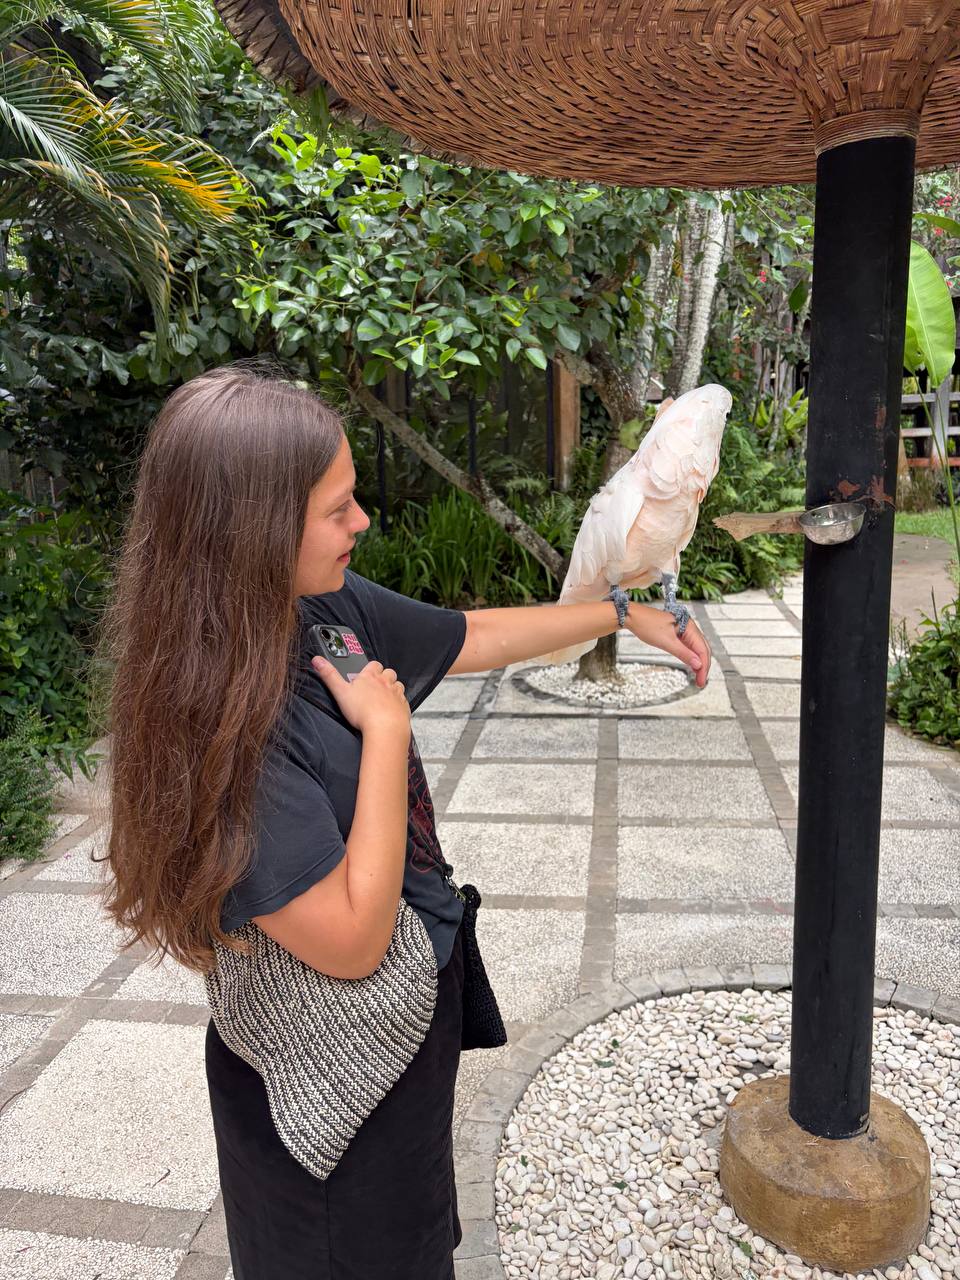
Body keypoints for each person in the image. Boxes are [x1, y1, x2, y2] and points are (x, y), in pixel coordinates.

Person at [94, 358, 711, 1280]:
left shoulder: (319, 610)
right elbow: (351, 940)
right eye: (337, 507)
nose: (363, 521)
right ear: (253, 531)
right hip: (323, 1098)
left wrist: (618, 616)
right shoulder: (225, 727)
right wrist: (384, 731)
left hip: (397, 1035)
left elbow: (472, 635)